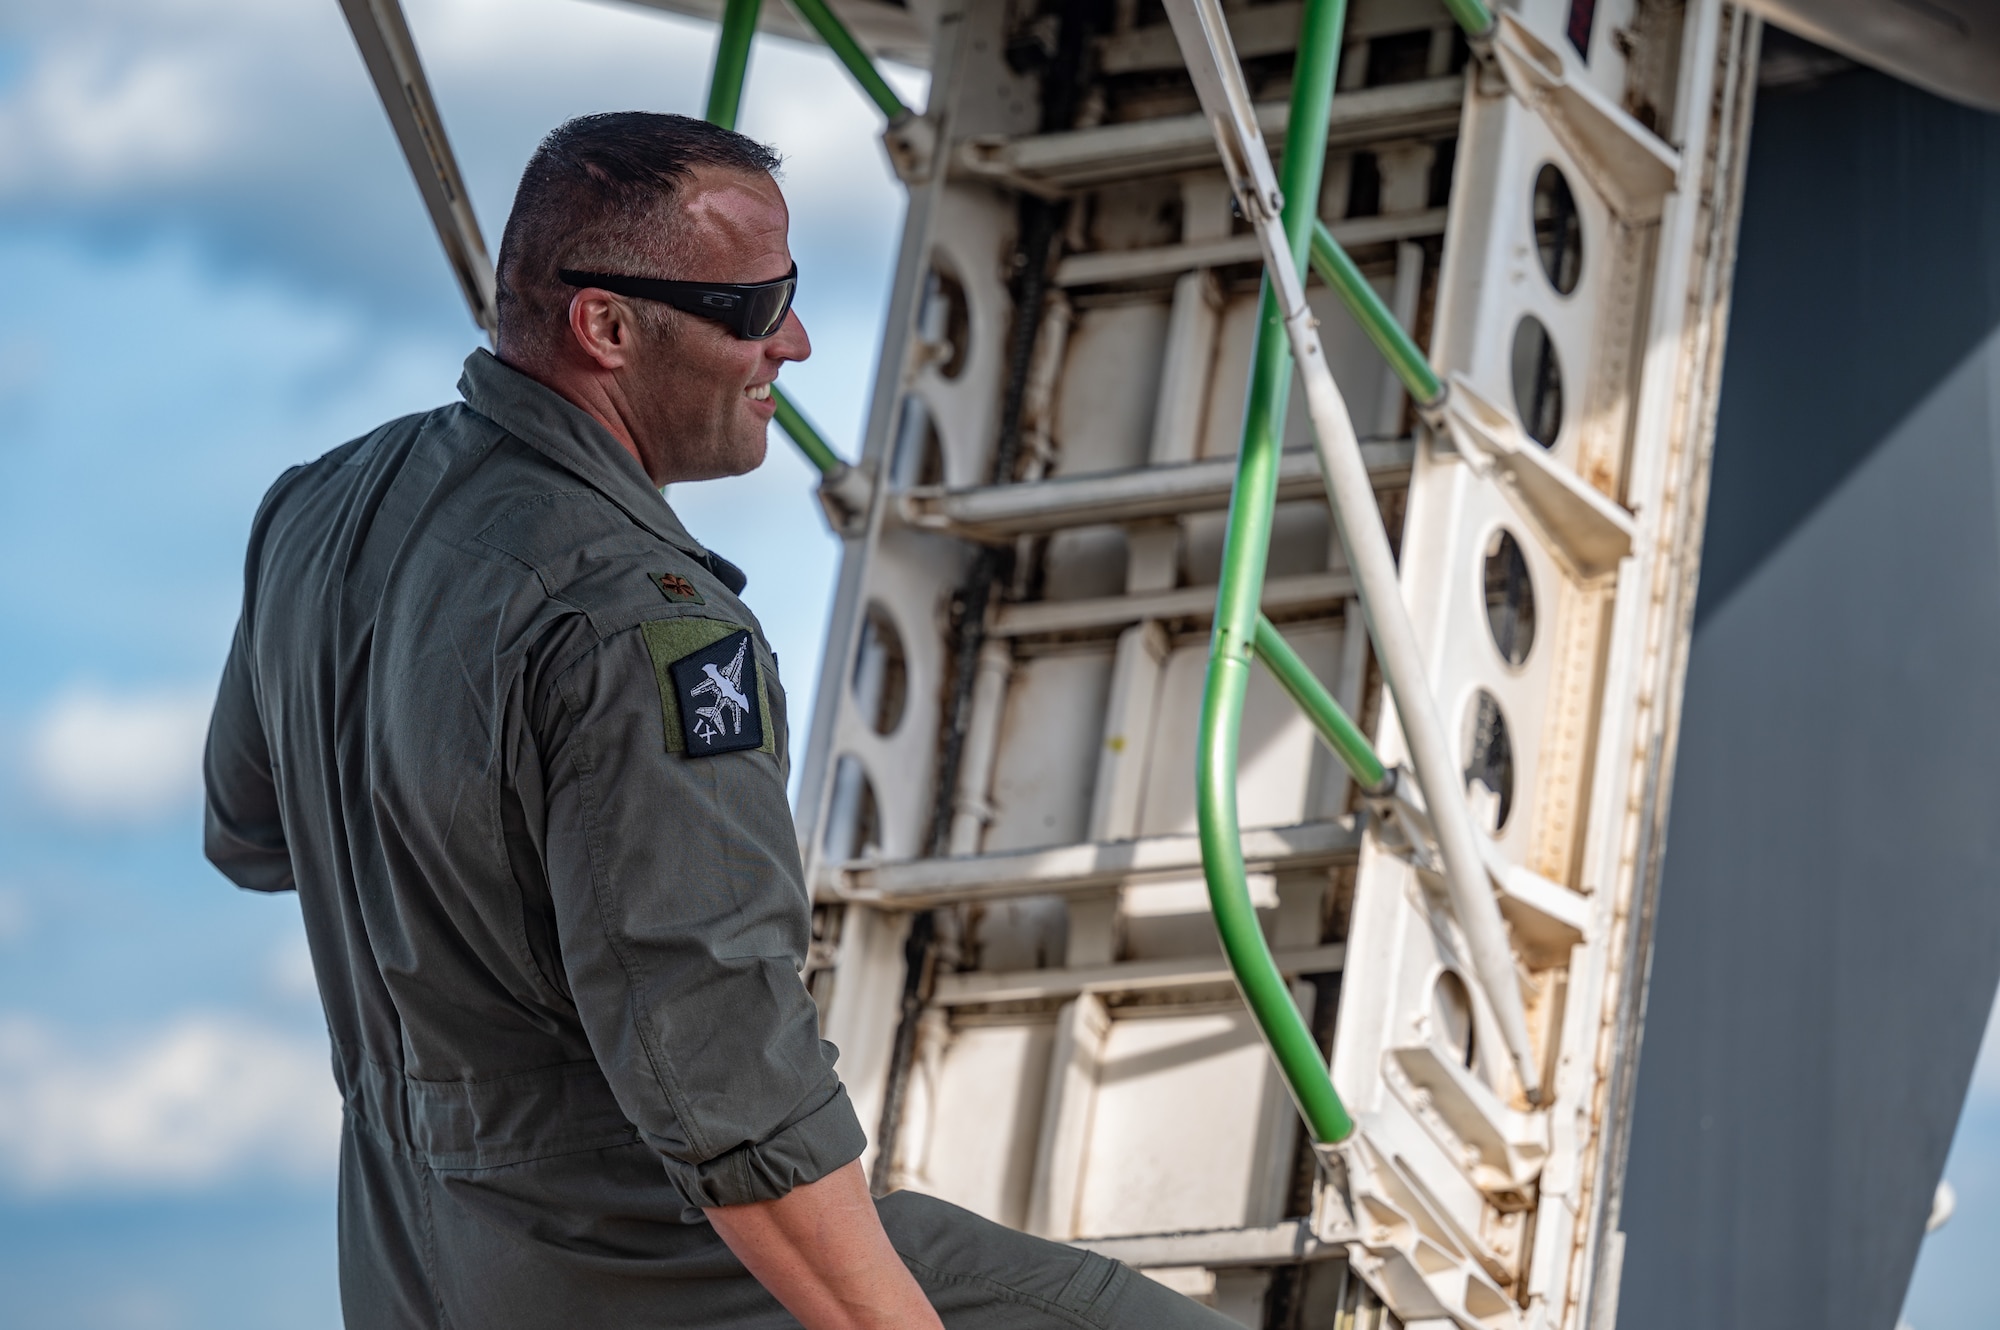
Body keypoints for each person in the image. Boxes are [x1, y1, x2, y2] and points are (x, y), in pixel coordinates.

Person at [203, 112, 1236, 1330]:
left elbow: (249, 834)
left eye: (788, 295)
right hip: (631, 1261)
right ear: (605, 326)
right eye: (752, 310)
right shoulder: (647, 623)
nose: (791, 341)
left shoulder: (316, 514)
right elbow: (723, 1078)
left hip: (402, 1261)